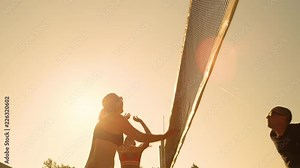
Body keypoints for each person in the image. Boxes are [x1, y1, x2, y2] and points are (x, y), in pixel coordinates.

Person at [85, 93, 175, 168]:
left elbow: (111, 138)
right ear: (115, 103)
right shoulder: (117, 119)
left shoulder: (103, 122)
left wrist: (125, 120)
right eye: (119, 99)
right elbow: (141, 137)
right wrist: (165, 136)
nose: (122, 101)